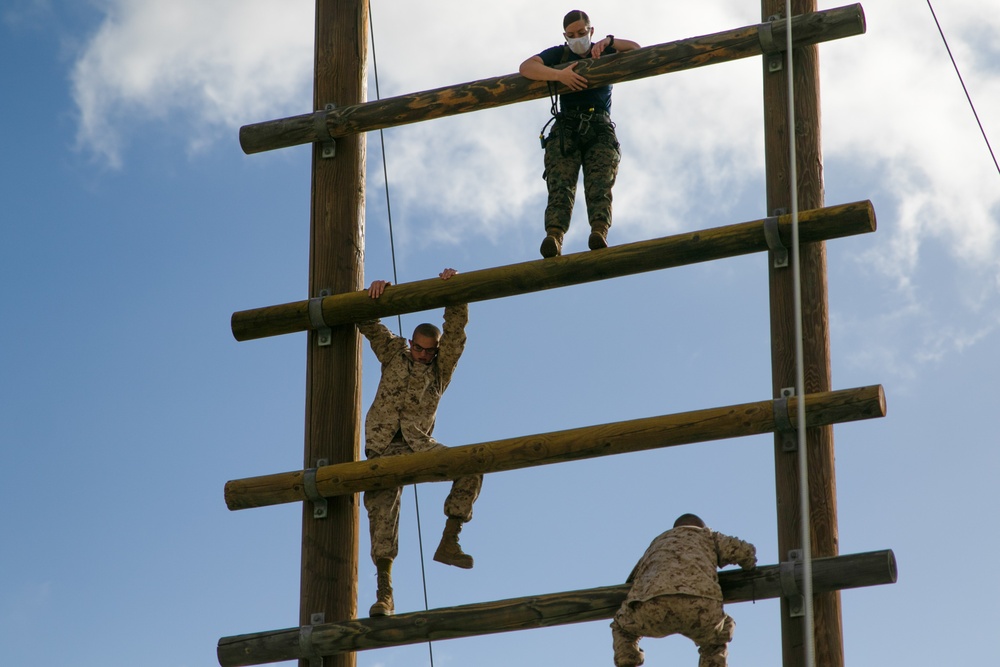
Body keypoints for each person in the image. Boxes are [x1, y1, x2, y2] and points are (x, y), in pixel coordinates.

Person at [358, 267, 483, 617]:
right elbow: (368, 323)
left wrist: (453, 291)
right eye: (419, 349)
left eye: (430, 351)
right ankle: (385, 592)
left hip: (419, 447)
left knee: (473, 463)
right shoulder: (394, 351)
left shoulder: (440, 369)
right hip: (382, 447)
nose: (423, 356)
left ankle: (450, 538)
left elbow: (457, 330)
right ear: (411, 343)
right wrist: (378, 293)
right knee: (382, 512)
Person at [519, 10, 639, 258]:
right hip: (568, 127)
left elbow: (637, 51)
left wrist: (610, 41)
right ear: (565, 36)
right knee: (560, 185)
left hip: (600, 127)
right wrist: (560, 75)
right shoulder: (559, 54)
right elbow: (526, 67)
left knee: (600, 184)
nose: (577, 39)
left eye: (582, 33)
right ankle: (554, 236)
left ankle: (599, 232)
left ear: (591, 31)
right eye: (571, 35)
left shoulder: (603, 51)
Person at [610, 514, 757, 667]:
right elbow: (745, 552)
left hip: (652, 608)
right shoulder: (707, 536)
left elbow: (633, 579)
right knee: (720, 633)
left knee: (621, 627)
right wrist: (750, 567)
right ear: (702, 527)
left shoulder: (657, 543)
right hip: (701, 608)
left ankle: (628, 662)